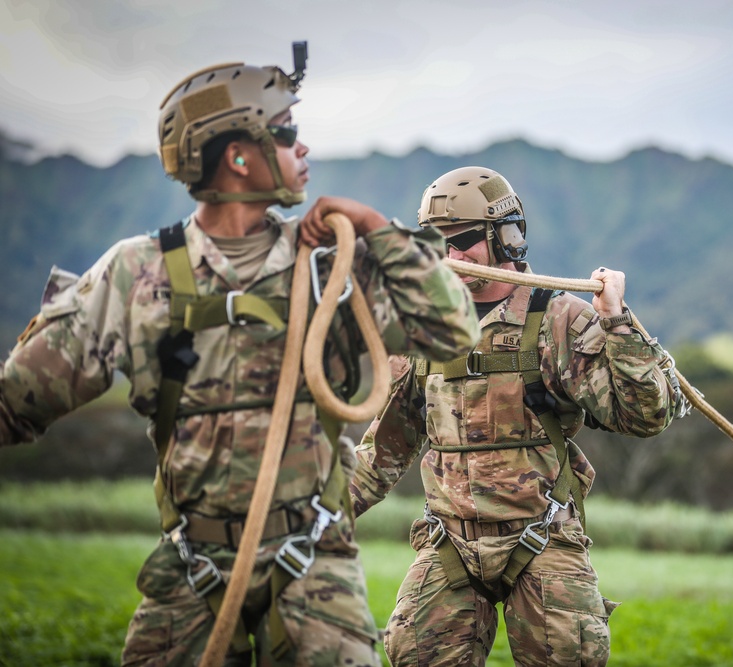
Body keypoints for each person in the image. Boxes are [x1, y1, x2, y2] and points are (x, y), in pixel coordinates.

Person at [0, 45, 480, 666]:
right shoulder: (137, 274)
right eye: (286, 135)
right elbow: (16, 402)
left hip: (317, 570)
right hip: (191, 567)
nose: (302, 149)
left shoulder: (331, 268)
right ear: (237, 157)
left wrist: (373, 228)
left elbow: (452, 331)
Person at [351, 165, 678, 666]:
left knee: (570, 654)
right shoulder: (422, 327)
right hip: (449, 542)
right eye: (438, 243)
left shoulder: (559, 318)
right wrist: (304, 514)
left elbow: (643, 416)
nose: (451, 257)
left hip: (541, 536)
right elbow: (383, 451)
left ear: (504, 237)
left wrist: (615, 321)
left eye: (463, 241)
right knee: (412, 652)